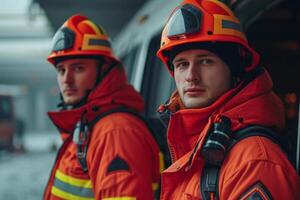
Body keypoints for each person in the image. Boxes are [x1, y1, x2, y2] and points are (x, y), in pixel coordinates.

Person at [156, 0, 300, 199]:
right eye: (181, 64)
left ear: (235, 70)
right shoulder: (199, 146)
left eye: (206, 61)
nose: (191, 75)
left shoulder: (254, 162)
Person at [43, 14, 161, 200]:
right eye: (61, 70)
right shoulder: (92, 124)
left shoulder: (115, 131)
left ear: (104, 69)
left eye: (78, 68)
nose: (67, 79)